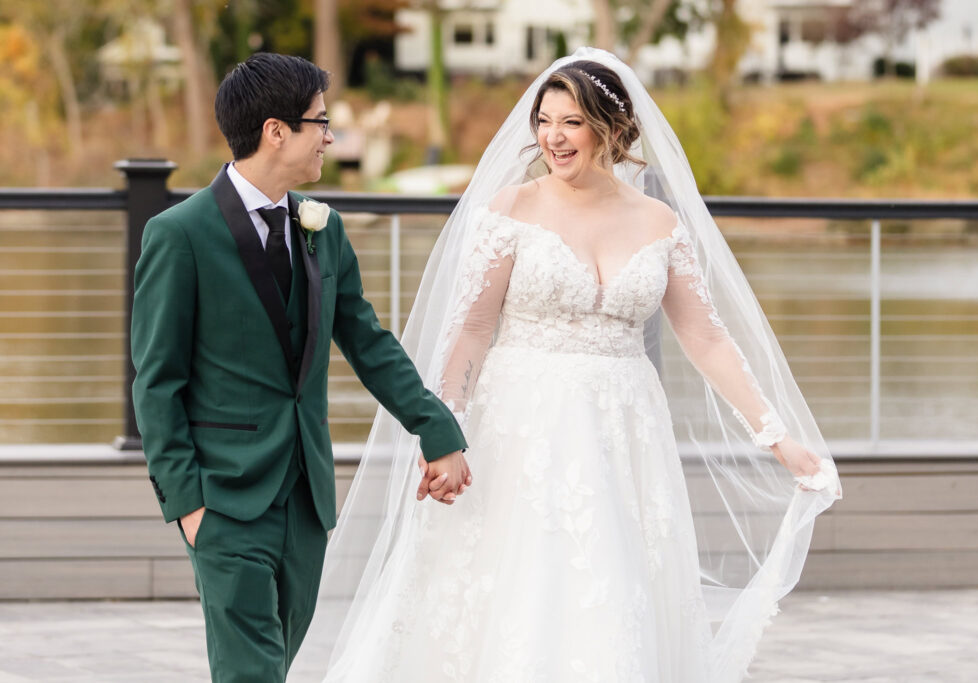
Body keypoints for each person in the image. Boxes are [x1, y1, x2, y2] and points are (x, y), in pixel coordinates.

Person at [291, 48, 841, 682]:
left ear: (612, 128)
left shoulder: (659, 222)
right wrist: (446, 428)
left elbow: (708, 338)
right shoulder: (510, 212)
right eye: (544, 120)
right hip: (521, 425)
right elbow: (470, 330)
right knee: (519, 588)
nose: (553, 136)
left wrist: (778, 438)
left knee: (615, 590)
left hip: (625, 434)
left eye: (571, 122)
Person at [130, 52, 470, 683]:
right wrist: (188, 507)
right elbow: (157, 382)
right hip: (224, 500)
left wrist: (436, 427)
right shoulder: (178, 235)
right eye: (321, 121)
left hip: (306, 501)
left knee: (273, 665)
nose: (331, 136)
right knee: (250, 672)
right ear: (275, 130)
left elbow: (367, 341)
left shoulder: (323, 229)